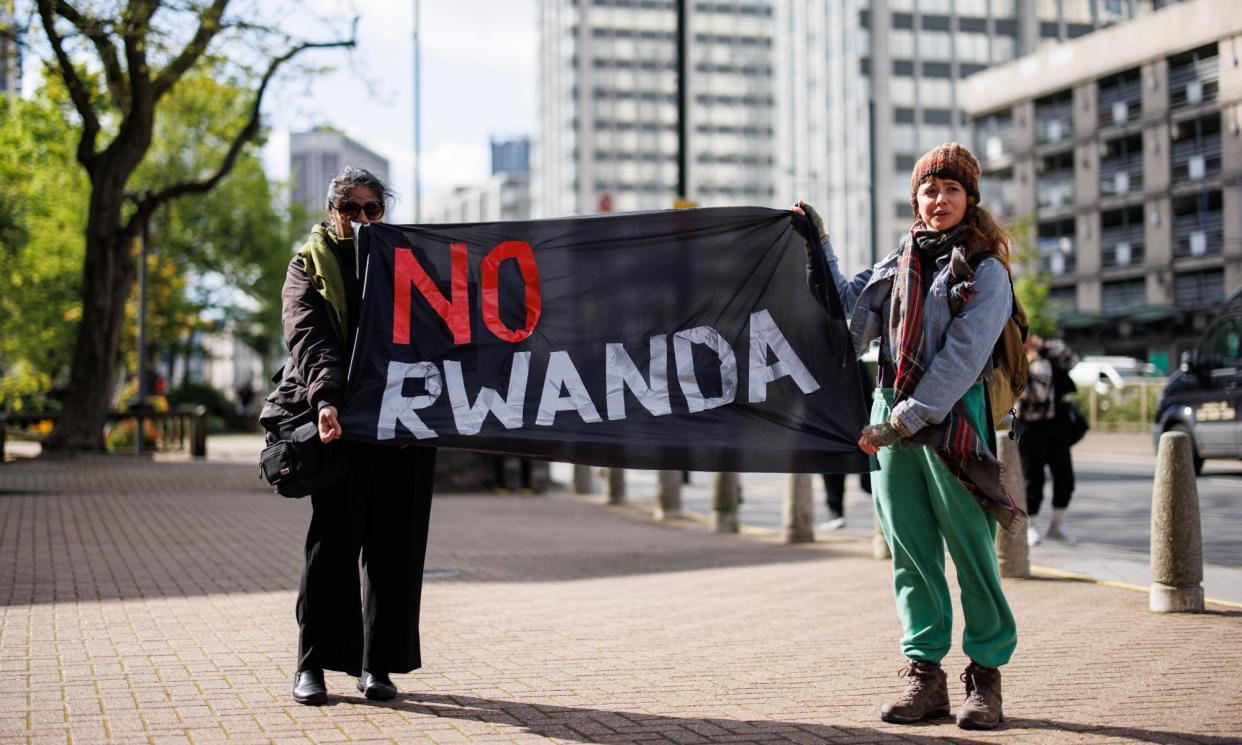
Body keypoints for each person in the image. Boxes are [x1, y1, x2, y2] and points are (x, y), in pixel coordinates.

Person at [794, 142, 1021, 730]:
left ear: (970, 198)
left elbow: (964, 356)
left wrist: (903, 421)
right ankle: (926, 678)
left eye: (950, 189)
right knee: (912, 555)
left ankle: (985, 679)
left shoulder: (985, 269)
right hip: (889, 407)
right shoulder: (901, 260)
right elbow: (848, 309)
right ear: (915, 199)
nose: (938, 199)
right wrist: (817, 243)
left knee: (972, 553)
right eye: (928, 189)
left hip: (951, 418)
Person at [261, 166, 437, 706]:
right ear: (332, 209)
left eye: (373, 209)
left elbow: (443, 325)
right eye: (351, 208)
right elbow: (310, 339)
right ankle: (312, 664)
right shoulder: (308, 265)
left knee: (395, 548)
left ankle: (377, 665)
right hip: (339, 423)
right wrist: (327, 400)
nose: (362, 219)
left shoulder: (407, 262)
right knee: (333, 544)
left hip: (404, 425)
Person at [1016, 335, 1081, 545]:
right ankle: (1030, 526)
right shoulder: (1017, 361)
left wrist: (1044, 348)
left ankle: (1057, 524)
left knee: (1065, 477)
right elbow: (1036, 395)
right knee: (1032, 479)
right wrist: (1032, 363)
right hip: (1029, 427)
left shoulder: (1047, 354)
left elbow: (1072, 360)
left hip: (1057, 426)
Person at [819, 361, 875, 530]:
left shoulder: (855, 362)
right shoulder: (819, 362)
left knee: (867, 477)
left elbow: (866, 394)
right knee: (832, 470)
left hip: (856, 423)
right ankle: (835, 511)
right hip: (832, 424)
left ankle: (836, 511)